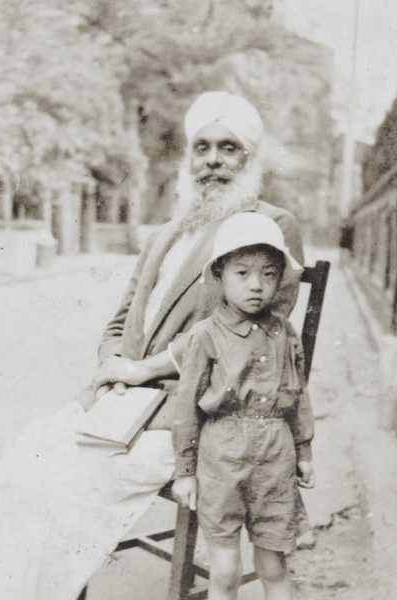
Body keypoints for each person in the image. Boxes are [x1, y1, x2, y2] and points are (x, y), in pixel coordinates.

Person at [0, 92, 305, 600]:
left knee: (66, 484)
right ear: (189, 156)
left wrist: (142, 371)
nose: (213, 161)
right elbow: (121, 316)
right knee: (27, 463)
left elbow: (250, 340)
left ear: (249, 158)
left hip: (194, 414)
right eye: (202, 148)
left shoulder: (268, 223)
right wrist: (113, 362)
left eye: (229, 148)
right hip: (124, 405)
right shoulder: (168, 228)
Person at [170, 212, 315, 600]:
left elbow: (298, 393)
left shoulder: (284, 332)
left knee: (273, 564)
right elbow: (186, 409)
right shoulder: (204, 336)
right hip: (222, 458)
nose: (257, 286)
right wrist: (185, 470)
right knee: (226, 571)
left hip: (275, 456)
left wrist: (303, 450)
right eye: (243, 273)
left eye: (269, 274)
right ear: (219, 274)